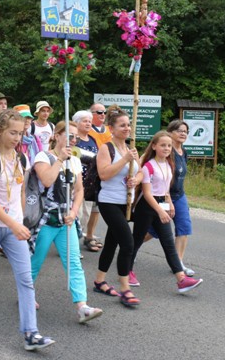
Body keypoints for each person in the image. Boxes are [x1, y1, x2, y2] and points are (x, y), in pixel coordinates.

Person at [0, 109, 55, 352]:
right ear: (0, 131)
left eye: (21, 133)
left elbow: (21, 193)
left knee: (26, 279)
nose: (17, 137)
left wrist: (23, 220)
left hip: (14, 225)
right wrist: (15, 224)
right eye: (13, 132)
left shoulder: (22, 159)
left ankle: (30, 332)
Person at [30, 121, 103, 324]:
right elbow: (46, 180)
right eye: (69, 135)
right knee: (35, 262)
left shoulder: (75, 161)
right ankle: (26, 294)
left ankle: (82, 306)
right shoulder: (43, 157)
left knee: (73, 263)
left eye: (75, 137)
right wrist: (60, 159)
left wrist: (73, 211)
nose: (73, 139)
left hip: (66, 219)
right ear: (56, 135)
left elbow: (79, 190)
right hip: (45, 218)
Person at [130, 131, 203, 293]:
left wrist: (169, 204)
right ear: (154, 146)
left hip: (161, 202)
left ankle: (181, 280)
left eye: (169, 145)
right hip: (147, 205)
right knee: (136, 239)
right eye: (163, 145)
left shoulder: (169, 164)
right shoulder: (149, 166)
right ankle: (127, 271)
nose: (167, 148)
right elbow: (147, 193)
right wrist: (160, 211)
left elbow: (166, 189)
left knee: (168, 242)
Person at [93, 106, 143, 307]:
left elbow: (141, 173)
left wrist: (135, 180)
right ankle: (125, 289)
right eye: (122, 125)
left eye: (128, 124)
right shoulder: (107, 148)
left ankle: (99, 280)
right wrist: (124, 160)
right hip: (109, 201)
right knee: (128, 243)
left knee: (112, 242)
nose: (127, 128)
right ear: (111, 128)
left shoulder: (131, 149)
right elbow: (104, 174)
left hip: (126, 202)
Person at [163, 119, 196, 276]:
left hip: (179, 195)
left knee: (184, 227)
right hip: (163, 195)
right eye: (179, 130)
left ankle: (178, 263)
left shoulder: (184, 152)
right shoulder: (167, 151)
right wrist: (167, 198)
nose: (183, 133)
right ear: (170, 133)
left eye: (185, 131)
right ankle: (131, 247)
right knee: (153, 230)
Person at [72, 110, 102, 253]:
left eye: (90, 121)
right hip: (76, 182)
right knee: (76, 214)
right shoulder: (73, 139)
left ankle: (77, 242)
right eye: (85, 121)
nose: (88, 123)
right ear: (76, 123)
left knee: (86, 215)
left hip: (91, 182)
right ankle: (71, 247)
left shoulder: (92, 139)